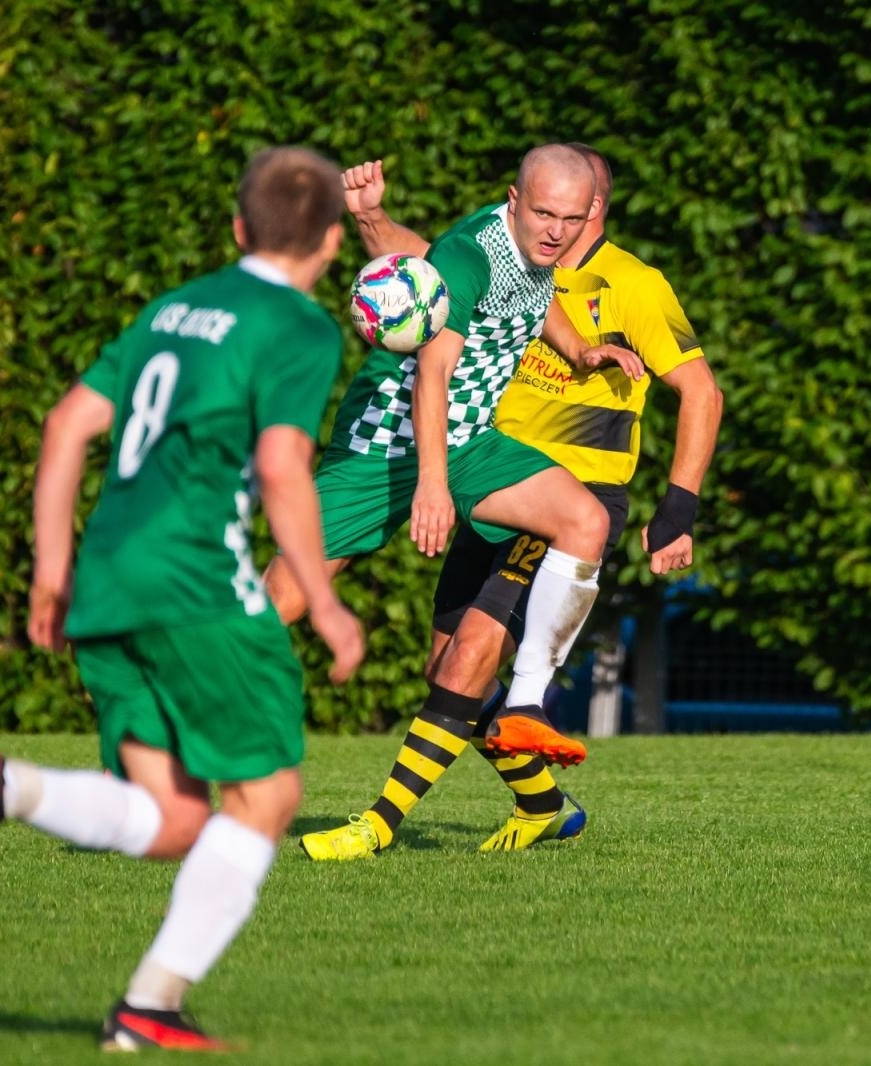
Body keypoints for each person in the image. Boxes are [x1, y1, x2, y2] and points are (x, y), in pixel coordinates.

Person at [0, 146, 365, 1051]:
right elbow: (283, 465)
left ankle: (4, 787)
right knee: (269, 796)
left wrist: (52, 569)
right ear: (330, 242)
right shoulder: (301, 327)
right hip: (196, 583)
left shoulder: (172, 308)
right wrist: (322, 598)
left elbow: (66, 424)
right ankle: (150, 1005)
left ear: (237, 228)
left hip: (107, 577)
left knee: (176, 819)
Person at [303, 148, 724, 859]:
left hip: (569, 492)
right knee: (446, 667)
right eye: (543, 209)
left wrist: (678, 509)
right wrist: (372, 218)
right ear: (521, 202)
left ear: (593, 209)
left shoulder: (634, 283)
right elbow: (435, 263)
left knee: (468, 659)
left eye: (571, 212)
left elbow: (702, 391)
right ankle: (544, 805)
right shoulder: (515, 258)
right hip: (494, 476)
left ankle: (377, 825)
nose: (555, 225)